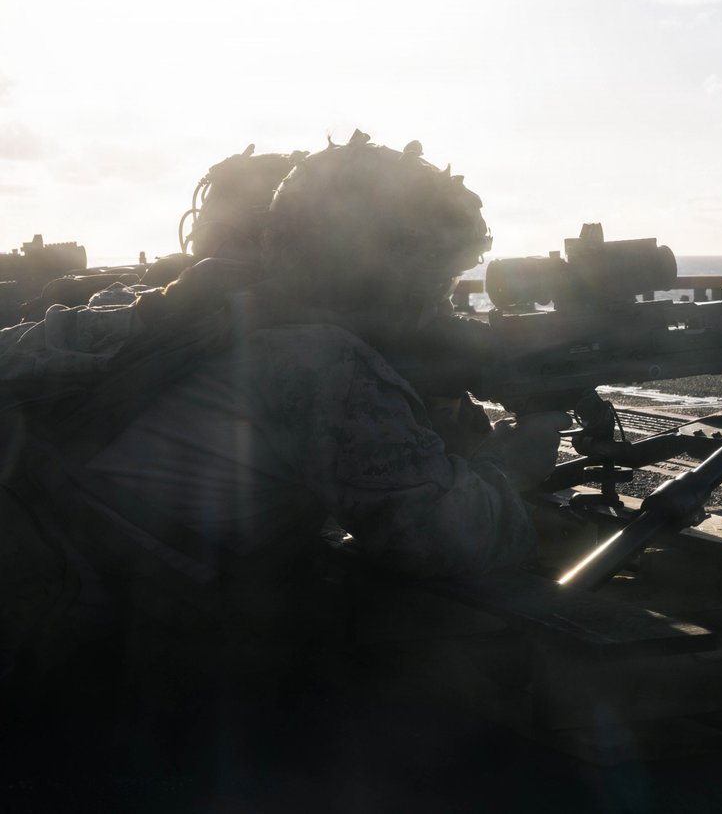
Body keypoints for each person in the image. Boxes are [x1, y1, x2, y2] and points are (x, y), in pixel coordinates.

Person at [0, 131, 569, 729]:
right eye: (439, 275)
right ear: (395, 270)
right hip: (121, 665)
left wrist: (157, 311)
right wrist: (514, 462)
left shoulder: (189, 311)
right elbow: (446, 542)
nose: (440, 299)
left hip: (50, 612)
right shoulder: (324, 363)